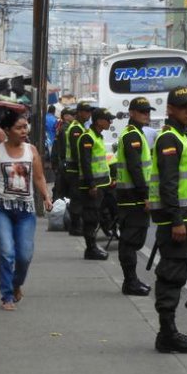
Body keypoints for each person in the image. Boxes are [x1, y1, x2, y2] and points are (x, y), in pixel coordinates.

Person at [148, 87, 187, 353]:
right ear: (170, 109)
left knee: (176, 274)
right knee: (171, 275)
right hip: (178, 222)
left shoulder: (179, 136)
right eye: (184, 107)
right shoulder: (170, 139)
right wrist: (177, 220)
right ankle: (167, 334)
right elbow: (169, 185)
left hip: (185, 219)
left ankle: (167, 333)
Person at [0, 113, 52, 311]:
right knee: (6, 252)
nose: (24, 131)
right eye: (19, 128)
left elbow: (39, 178)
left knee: (24, 256)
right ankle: (7, 295)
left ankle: (16, 283)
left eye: (25, 127)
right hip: (0, 209)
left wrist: (46, 197)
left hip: (26, 211)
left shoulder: (32, 150)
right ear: (7, 130)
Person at [114, 97, 154, 296]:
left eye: (148, 111)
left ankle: (132, 280)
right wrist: (145, 195)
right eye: (142, 111)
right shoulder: (133, 136)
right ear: (131, 113)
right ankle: (130, 282)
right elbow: (135, 167)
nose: (146, 114)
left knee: (134, 240)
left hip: (132, 195)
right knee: (130, 241)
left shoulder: (137, 133)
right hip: (133, 197)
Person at [75, 107, 113, 261]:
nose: (110, 122)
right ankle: (90, 249)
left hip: (101, 185)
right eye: (107, 119)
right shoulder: (87, 137)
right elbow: (86, 162)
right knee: (90, 217)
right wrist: (91, 184)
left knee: (96, 216)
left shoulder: (98, 137)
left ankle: (93, 246)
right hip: (92, 186)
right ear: (98, 121)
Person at [62, 101, 91, 236]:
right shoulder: (75, 129)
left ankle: (77, 225)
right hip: (74, 169)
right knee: (77, 198)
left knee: (78, 198)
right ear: (79, 112)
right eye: (86, 111)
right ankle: (75, 227)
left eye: (90, 111)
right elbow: (76, 151)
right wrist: (82, 167)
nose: (89, 114)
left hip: (75, 168)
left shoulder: (80, 127)